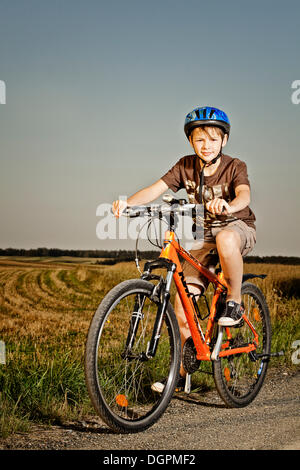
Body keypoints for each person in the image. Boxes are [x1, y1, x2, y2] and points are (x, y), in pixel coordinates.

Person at [112, 106, 256, 392]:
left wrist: (228, 205)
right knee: (183, 301)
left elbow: (244, 195)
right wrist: (128, 202)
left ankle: (236, 302)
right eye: (200, 140)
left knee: (226, 239)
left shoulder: (235, 166)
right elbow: (155, 189)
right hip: (205, 238)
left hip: (238, 228)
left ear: (224, 141)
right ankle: (181, 373)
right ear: (191, 141)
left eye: (213, 139)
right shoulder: (185, 166)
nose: (206, 146)